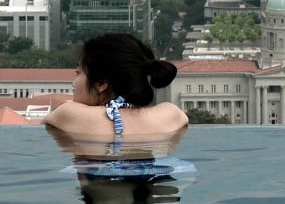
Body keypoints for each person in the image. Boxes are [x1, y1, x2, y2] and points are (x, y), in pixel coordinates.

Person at [44, 33, 188, 137]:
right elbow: (182, 118)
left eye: (78, 73)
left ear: (101, 84)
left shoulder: (70, 114)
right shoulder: (170, 114)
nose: (73, 83)